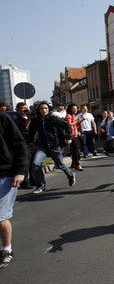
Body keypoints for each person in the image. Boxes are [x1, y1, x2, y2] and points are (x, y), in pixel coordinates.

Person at [27, 102, 76, 193]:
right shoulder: (35, 121)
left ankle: (70, 175)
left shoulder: (53, 119)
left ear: (48, 109)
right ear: (39, 110)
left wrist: (69, 138)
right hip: (42, 147)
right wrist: (30, 141)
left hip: (55, 146)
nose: (44, 110)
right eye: (41, 108)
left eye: (45, 108)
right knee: (36, 163)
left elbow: (67, 126)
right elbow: (31, 131)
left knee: (60, 165)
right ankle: (41, 185)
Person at [0, 112, 28, 268]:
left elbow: (19, 144)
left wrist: (20, 170)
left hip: (5, 175)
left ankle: (6, 249)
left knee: (1, 216)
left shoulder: (2, 118)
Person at [13, 102, 35, 189]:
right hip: (23, 142)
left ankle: (34, 180)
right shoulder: (16, 119)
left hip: (32, 142)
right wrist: (28, 119)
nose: (24, 110)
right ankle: (25, 182)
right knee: (26, 163)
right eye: (22, 108)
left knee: (33, 163)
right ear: (18, 110)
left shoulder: (30, 117)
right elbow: (26, 128)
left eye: (25, 108)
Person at [65, 104, 84, 171]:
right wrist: (77, 121)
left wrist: (79, 122)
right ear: (70, 109)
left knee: (75, 150)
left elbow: (76, 125)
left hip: (75, 134)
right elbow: (69, 124)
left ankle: (73, 164)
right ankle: (78, 164)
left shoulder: (74, 116)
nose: (75, 110)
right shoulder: (68, 116)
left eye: (76, 108)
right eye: (73, 108)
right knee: (75, 149)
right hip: (70, 135)